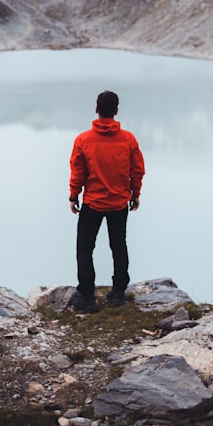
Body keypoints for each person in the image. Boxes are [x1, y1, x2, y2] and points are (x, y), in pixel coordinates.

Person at [68, 90, 145, 312]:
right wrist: (135, 193)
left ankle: (87, 296)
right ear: (116, 111)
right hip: (119, 203)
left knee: (84, 249)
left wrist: (74, 196)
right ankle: (118, 293)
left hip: (92, 203)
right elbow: (137, 170)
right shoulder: (128, 139)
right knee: (118, 246)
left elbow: (77, 172)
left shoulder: (83, 140)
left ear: (96, 109)